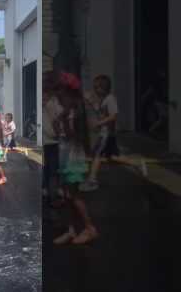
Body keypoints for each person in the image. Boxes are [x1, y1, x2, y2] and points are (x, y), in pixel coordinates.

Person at [79, 74, 147, 192]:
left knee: (97, 155)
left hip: (106, 134)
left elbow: (113, 116)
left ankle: (92, 181)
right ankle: (137, 164)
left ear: (104, 88)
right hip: (106, 133)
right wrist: (90, 102)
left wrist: (98, 123)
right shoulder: (104, 99)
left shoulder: (110, 99)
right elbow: (101, 111)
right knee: (113, 157)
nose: (95, 90)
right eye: (94, 87)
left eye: (97, 88)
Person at [54, 71, 99, 245]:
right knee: (65, 194)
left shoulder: (75, 111)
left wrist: (62, 122)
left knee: (74, 194)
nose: (58, 94)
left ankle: (89, 228)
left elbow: (75, 135)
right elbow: (60, 134)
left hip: (73, 155)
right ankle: (71, 229)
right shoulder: (66, 110)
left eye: (60, 91)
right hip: (64, 152)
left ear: (68, 92)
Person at [42, 79, 63, 206]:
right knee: (52, 171)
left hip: (48, 142)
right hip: (51, 142)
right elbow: (52, 127)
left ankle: (47, 192)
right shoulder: (51, 104)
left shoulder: (50, 103)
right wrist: (59, 133)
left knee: (48, 169)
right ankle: (52, 196)